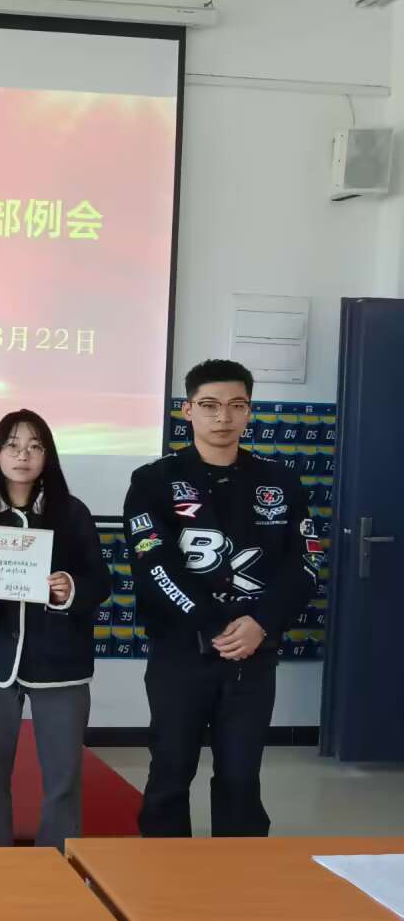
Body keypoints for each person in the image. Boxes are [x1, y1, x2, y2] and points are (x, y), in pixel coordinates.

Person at [124, 359, 320, 837]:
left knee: (240, 779)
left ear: (249, 411)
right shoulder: (153, 481)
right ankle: (162, 875)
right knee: (170, 773)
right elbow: (153, 566)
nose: (223, 417)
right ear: (188, 410)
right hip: (180, 654)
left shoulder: (281, 481)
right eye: (210, 405)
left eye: (237, 405)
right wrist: (213, 625)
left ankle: (238, 878)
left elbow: (304, 567)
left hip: (253, 652)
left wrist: (260, 624)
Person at [0, 409, 109, 849]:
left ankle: (58, 862)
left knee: (63, 777)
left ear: (48, 455)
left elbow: (101, 582)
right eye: (12, 445)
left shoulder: (72, 513)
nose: (23, 455)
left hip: (61, 664)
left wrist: (71, 588)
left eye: (34, 446)